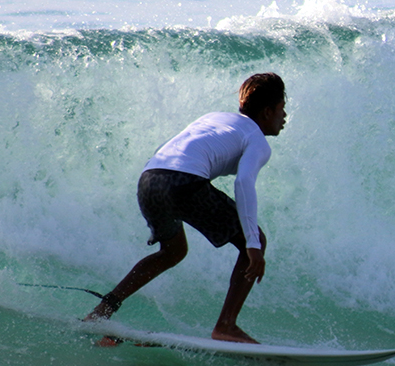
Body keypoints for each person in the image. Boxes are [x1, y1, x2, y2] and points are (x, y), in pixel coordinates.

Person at [84, 73, 287, 343]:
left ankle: (101, 311)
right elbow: (244, 182)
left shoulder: (214, 118)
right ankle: (226, 326)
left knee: (173, 251)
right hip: (183, 182)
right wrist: (252, 244)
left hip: (150, 180)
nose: (285, 116)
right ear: (267, 111)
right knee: (257, 238)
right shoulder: (257, 138)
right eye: (282, 108)